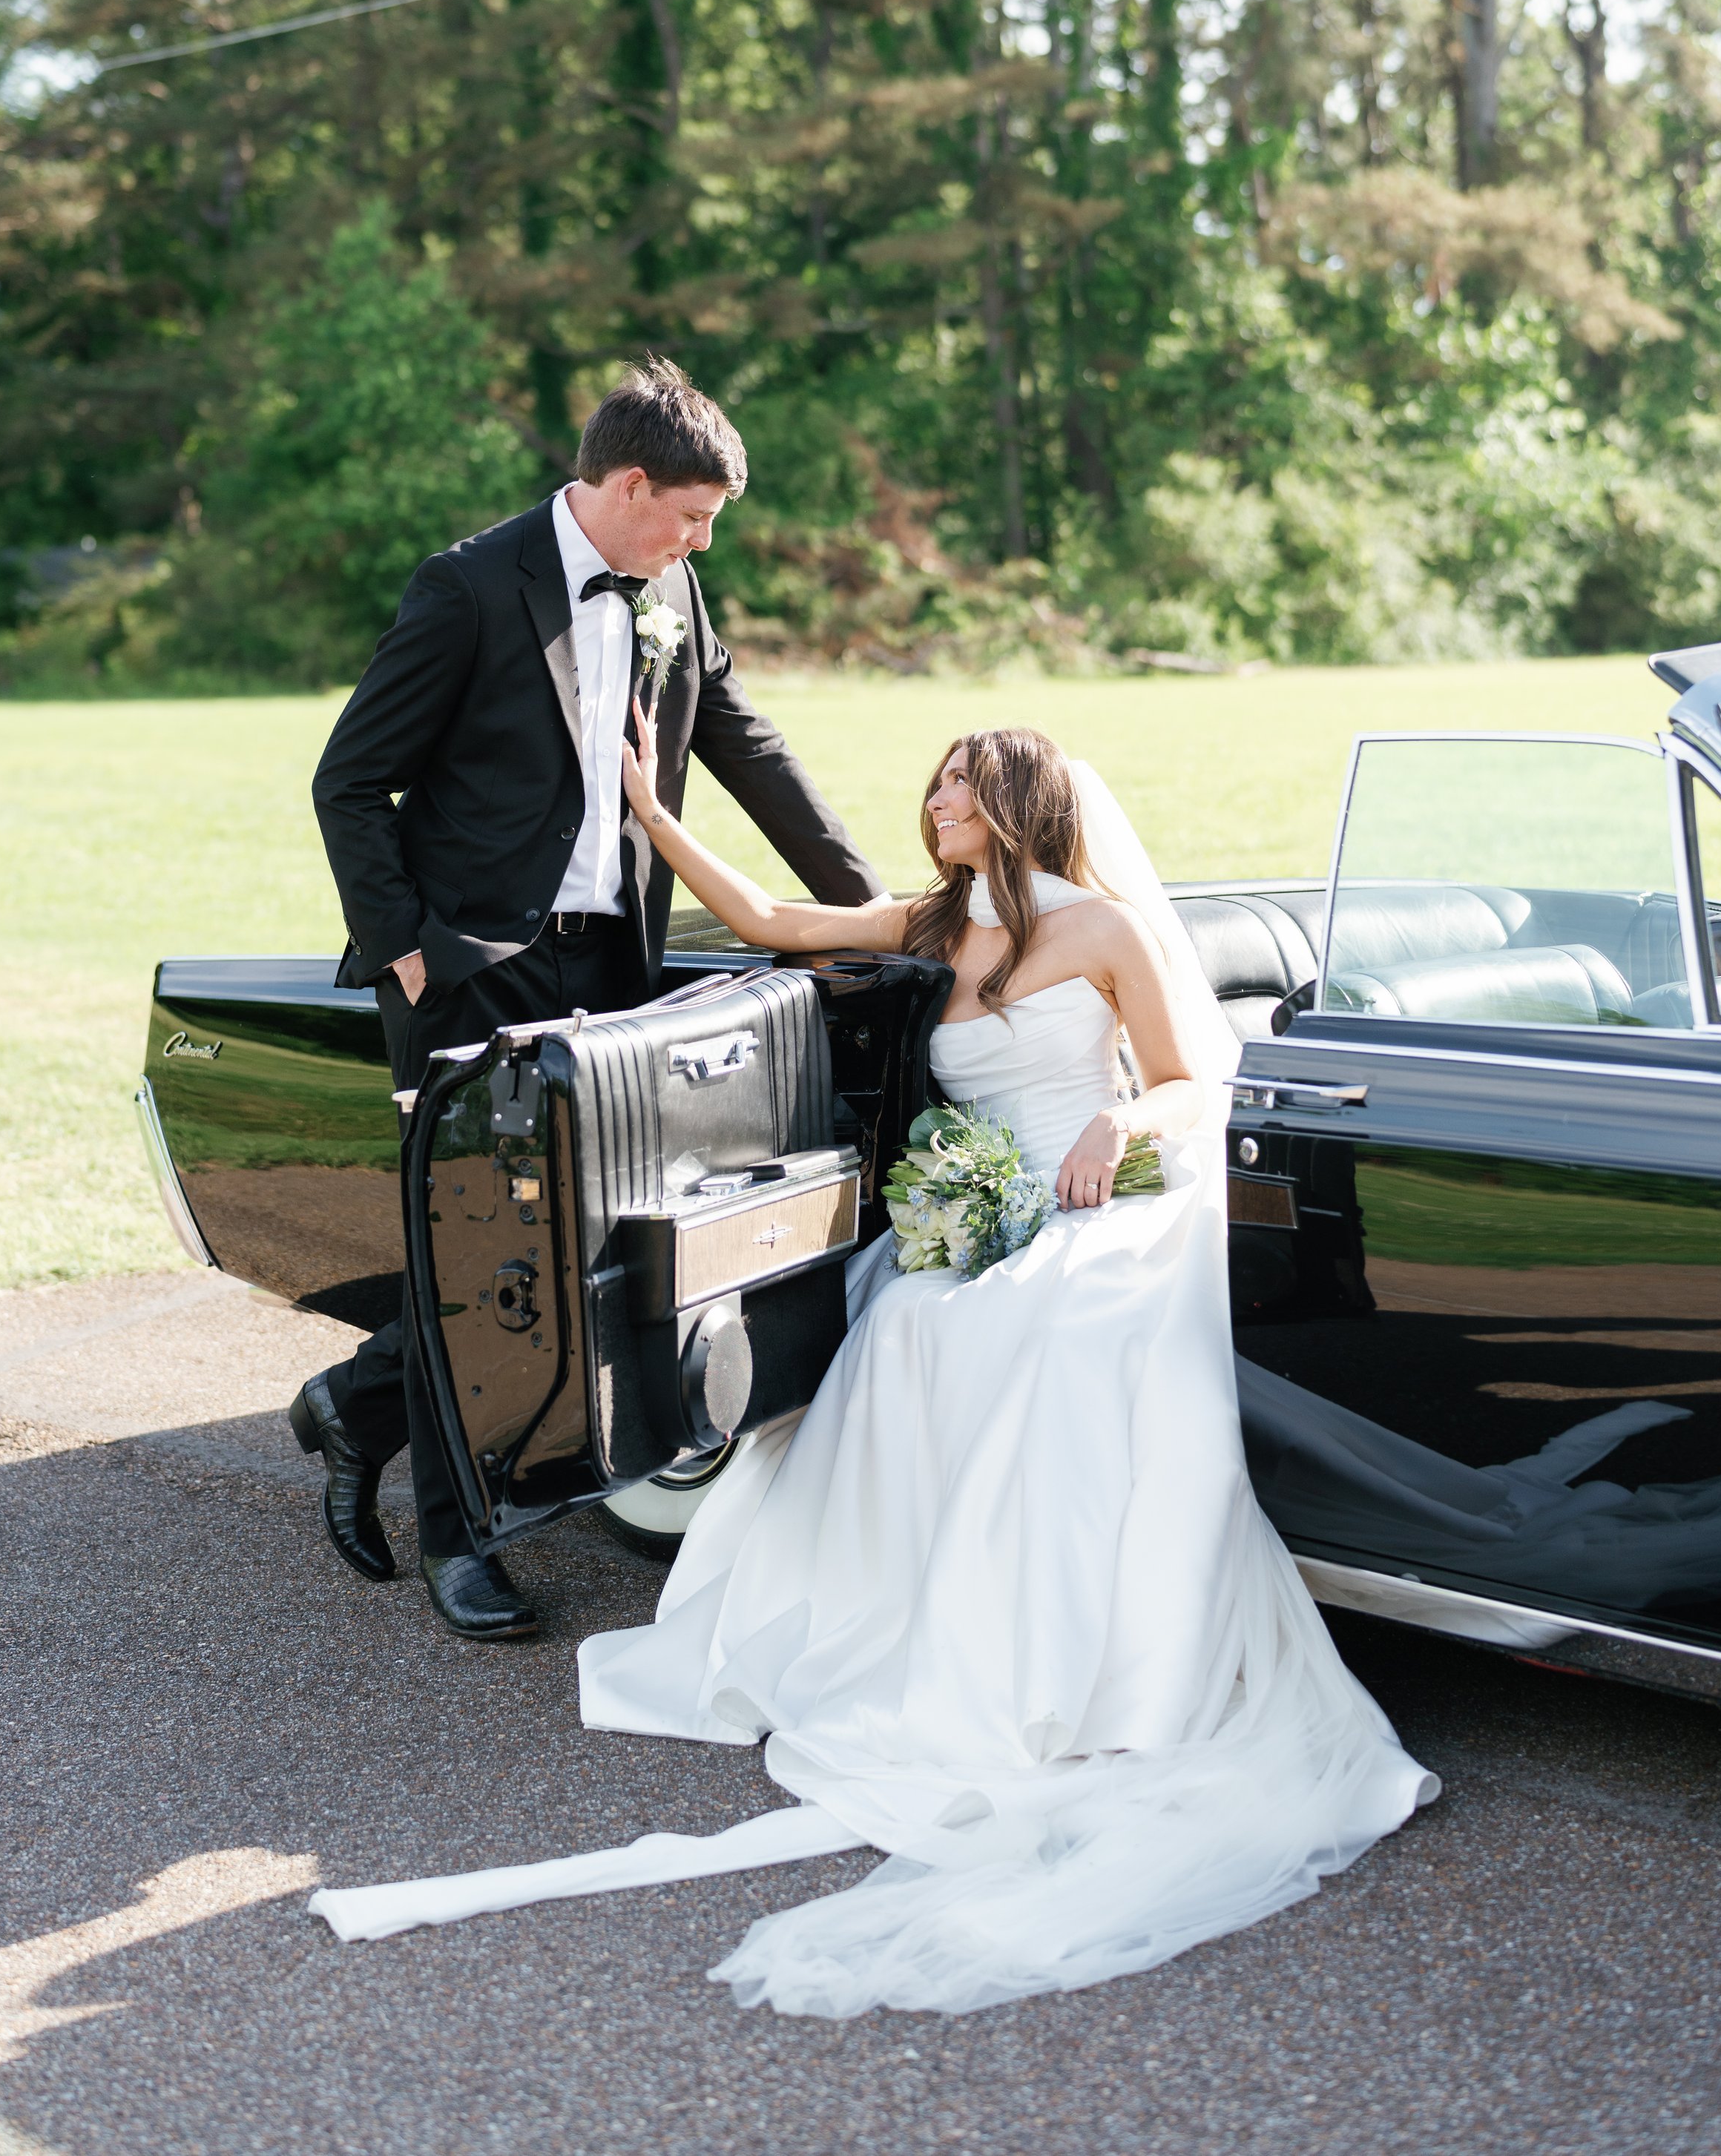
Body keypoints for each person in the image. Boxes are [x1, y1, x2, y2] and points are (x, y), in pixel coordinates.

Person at [311, 722, 1438, 2014]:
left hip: (1102, 1203)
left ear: (1017, 802)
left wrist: (1114, 1117)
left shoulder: (1107, 931)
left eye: (960, 782)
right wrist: (652, 813)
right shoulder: (932, 924)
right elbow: (773, 921)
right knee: (904, 1326)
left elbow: (1192, 1086)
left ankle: (1061, 1667)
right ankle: (907, 1633)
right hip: (982, 1216)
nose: (935, 796)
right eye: (938, 781)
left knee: (1047, 1326)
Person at [297, 357, 882, 1643]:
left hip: (612, 961)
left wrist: (874, 909)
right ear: (626, 485)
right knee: (481, 1255)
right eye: (690, 515)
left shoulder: (672, 585)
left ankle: (367, 1402)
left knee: (583, 1251)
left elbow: (745, 744)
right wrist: (405, 951)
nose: (699, 540)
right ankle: (465, 1544)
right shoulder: (466, 587)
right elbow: (351, 779)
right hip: (469, 971)